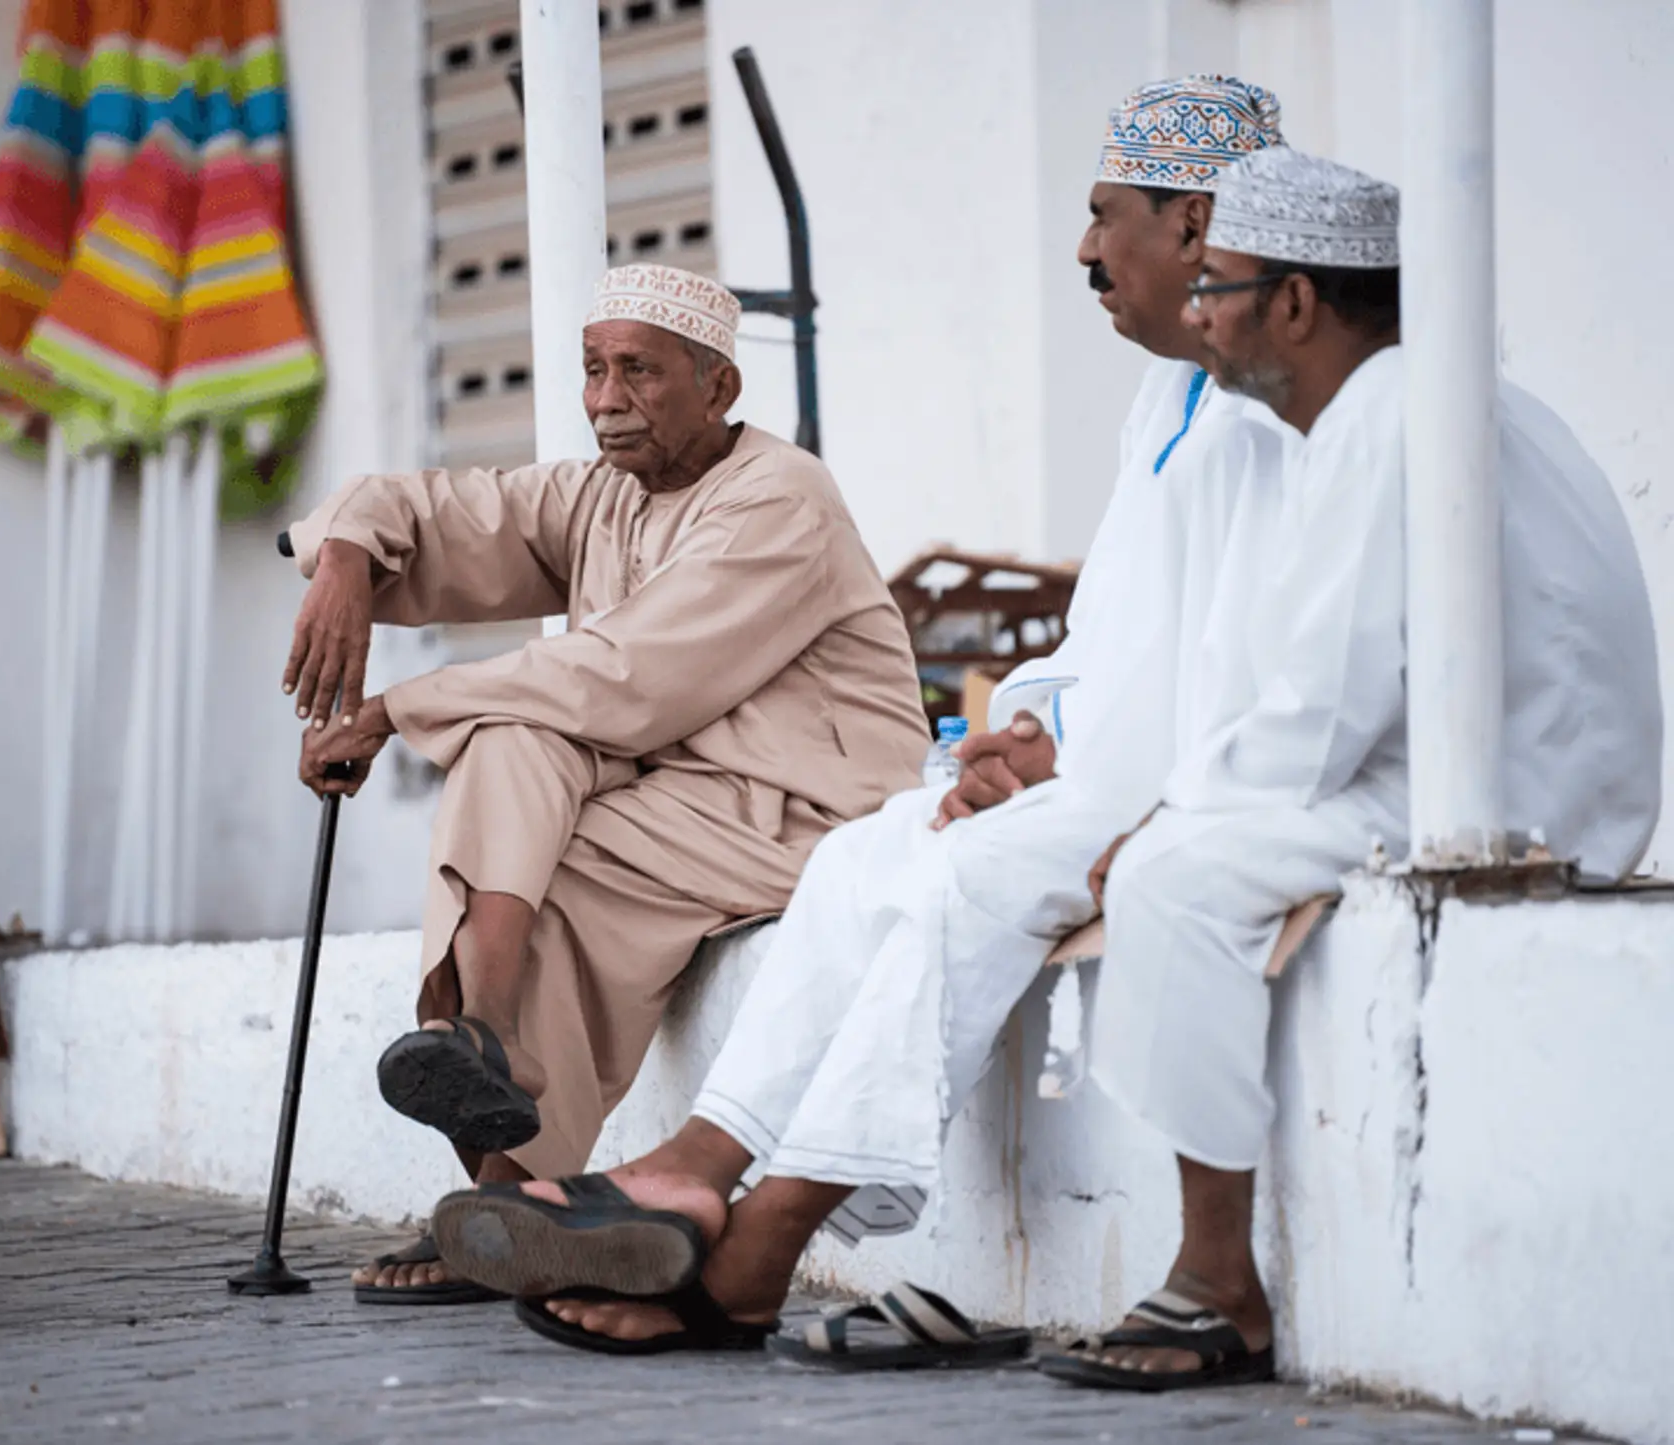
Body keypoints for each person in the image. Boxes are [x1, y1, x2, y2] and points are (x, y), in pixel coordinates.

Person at [425, 76, 1293, 1355]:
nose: (1083, 249)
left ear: (1198, 222)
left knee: (968, 875)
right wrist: (1024, 728)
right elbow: (1116, 631)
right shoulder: (1166, 404)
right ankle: (689, 1161)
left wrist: (1070, 760)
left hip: (1224, 779)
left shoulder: (1291, 412)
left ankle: (760, 1236)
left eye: (1107, 216)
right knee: (869, 857)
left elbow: (1266, 668)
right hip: (1118, 760)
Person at [1043, 146, 1661, 1392]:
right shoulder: (1390, 407)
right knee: (1172, 843)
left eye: (1215, 283)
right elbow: (1309, 692)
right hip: (1487, 768)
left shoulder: (1384, 411)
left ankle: (1219, 1280)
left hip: (1511, 793)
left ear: (1297, 302)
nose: (1199, 314)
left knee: (1171, 876)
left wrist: (1168, 817)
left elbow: (1323, 707)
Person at [280, 263, 927, 1302]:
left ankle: (507, 1184)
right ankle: (486, 1037)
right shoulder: (604, 493)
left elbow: (633, 673)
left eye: (638, 371)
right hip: (683, 792)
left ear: (719, 388)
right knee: (516, 745)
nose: (605, 398)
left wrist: (399, 708)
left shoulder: (780, 497)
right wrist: (348, 549)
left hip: (809, 807)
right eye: (592, 369)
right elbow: (454, 515)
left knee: (552, 813)